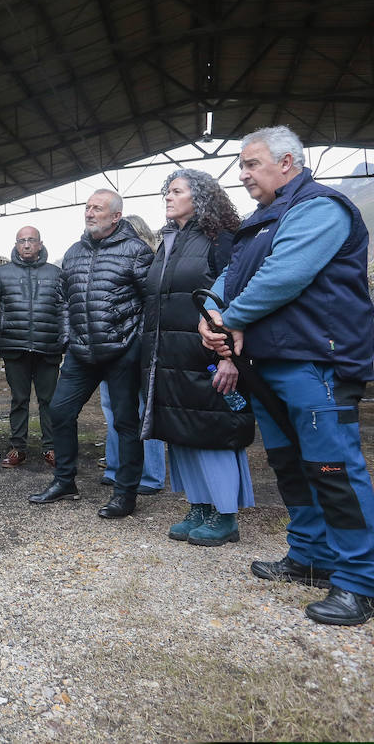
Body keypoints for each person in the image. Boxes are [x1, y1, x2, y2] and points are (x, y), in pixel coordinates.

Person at [201, 126, 374, 626]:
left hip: (316, 362)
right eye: (240, 166)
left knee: (333, 470)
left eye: (252, 164)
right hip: (268, 364)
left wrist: (231, 320)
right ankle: (310, 556)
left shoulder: (320, 207)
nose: (242, 175)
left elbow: (284, 275)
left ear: (287, 162)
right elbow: (226, 281)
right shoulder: (259, 222)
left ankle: (363, 585)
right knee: (290, 465)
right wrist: (209, 317)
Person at [139, 170, 255, 546]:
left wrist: (230, 359)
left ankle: (225, 514)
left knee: (213, 430)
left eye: (176, 192)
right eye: (166, 192)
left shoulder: (221, 240)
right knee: (183, 433)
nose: (168, 198)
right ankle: (199, 506)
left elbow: (235, 300)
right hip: (171, 357)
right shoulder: (168, 241)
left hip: (210, 355)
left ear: (200, 197)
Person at [29, 189, 153, 518]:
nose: (89, 213)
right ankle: (64, 480)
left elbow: (151, 303)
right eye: (87, 207)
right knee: (60, 411)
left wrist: (135, 343)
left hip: (122, 351)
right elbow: (65, 301)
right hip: (81, 352)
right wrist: (69, 338)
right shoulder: (73, 252)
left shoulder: (136, 251)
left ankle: (125, 494)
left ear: (116, 216)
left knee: (126, 423)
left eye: (97, 208)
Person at [0, 225, 64, 468]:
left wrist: (64, 340)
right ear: (16, 244)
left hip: (48, 346)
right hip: (14, 347)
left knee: (49, 400)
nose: (26, 245)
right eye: (22, 241)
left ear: (40, 243)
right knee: (19, 399)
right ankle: (18, 448)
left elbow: (63, 309)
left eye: (31, 240)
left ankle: (51, 448)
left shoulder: (56, 274)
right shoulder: (1, 274)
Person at [101, 215, 168, 495]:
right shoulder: (111, 263)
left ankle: (150, 476)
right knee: (113, 409)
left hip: (140, 348)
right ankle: (116, 468)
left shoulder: (152, 266)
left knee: (142, 411)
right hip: (111, 349)